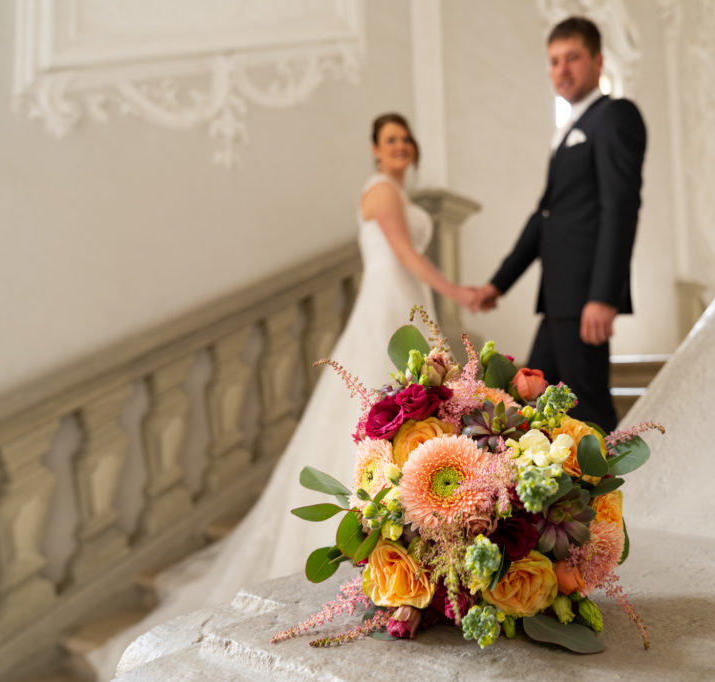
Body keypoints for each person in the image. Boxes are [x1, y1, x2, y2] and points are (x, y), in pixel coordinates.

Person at [89, 113, 479, 679]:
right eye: (390, 140)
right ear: (375, 150)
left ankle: (402, 521)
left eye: (406, 140)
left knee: (401, 406)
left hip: (403, 299)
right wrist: (458, 291)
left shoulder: (395, 190)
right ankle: (370, 528)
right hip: (390, 304)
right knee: (375, 406)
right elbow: (405, 253)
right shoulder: (380, 192)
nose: (400, 147)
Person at [477, 16, 646, 432]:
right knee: (529, 407)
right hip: (557, 301)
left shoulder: (614, 115)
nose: (562, 70)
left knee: (588, 413)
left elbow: (620, 206)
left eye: (572, 58)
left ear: (598, 61)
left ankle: (625, 495)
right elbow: (545, 217)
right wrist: (497, 284)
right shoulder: (568, 129)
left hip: (585, 297)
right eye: (554, 61)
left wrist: (605, 295)